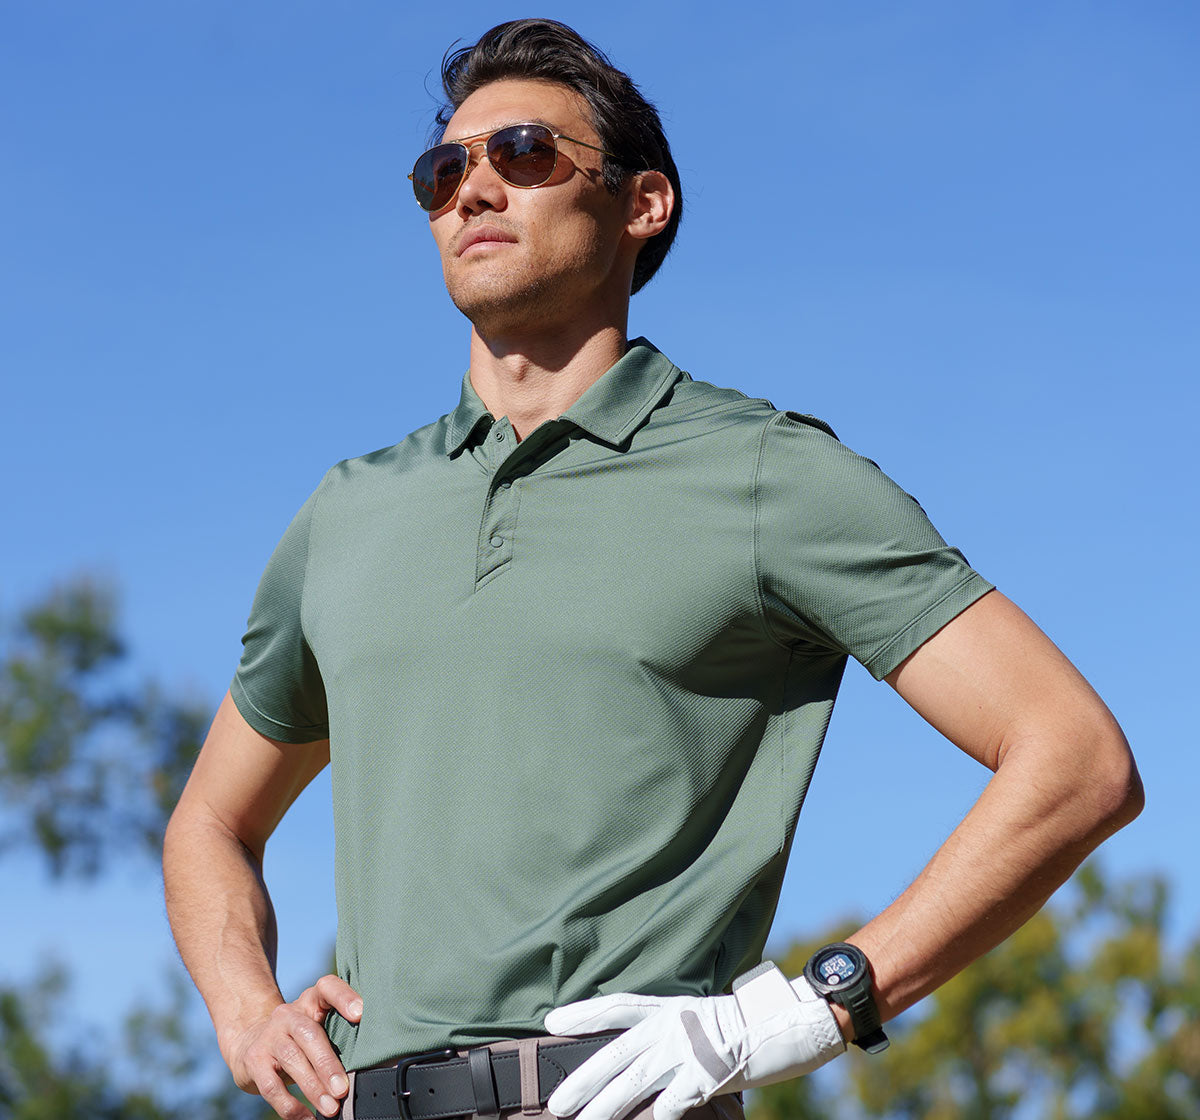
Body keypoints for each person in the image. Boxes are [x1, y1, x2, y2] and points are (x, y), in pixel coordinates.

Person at [163, 18, 1143, 1120]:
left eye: (523, 154)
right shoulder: (347, 512)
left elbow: (1074, 759)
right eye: (445, 171)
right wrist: (247, 1010)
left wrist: (805, 1007)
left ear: (643, 205)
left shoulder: (768, 475)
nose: (472, 190)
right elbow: (211, 824)